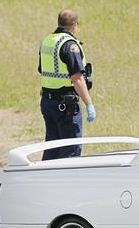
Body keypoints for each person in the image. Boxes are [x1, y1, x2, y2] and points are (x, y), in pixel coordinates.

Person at [38, 9, 96, 160]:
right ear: (74, 25)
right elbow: (77, 78)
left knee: (52, 147)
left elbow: (41, 69)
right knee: (70, 149)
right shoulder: (69, 45)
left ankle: (45, 181)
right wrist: (89, 104)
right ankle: (65, 182)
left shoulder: (47, 41)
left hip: (47, 102)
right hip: (65, 106)